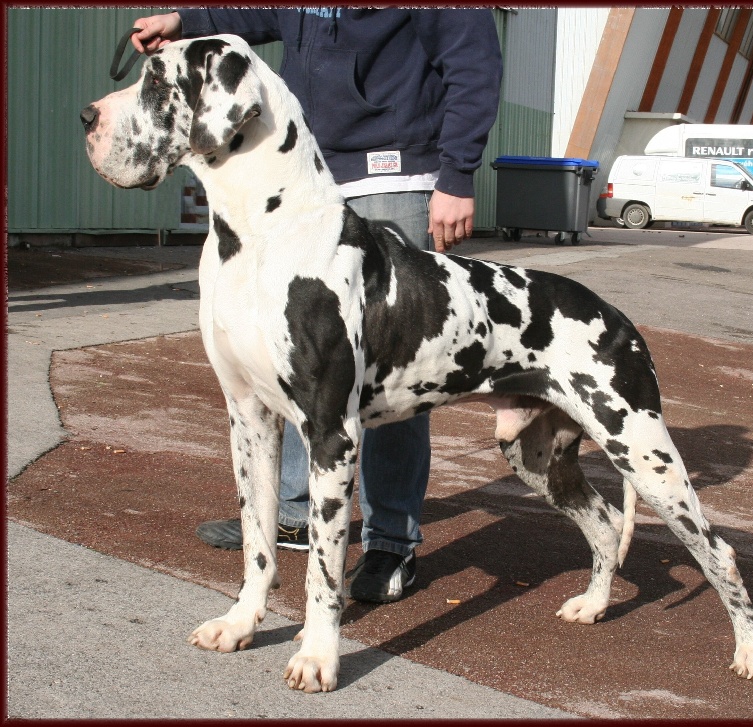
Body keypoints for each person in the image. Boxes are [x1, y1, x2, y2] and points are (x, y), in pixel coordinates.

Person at [132, 8, 502, 603]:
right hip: (305, 162)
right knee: (294, 357)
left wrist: (456, 175)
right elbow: (257, 11)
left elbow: (473, 64)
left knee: (393, 364)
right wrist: (185, 20)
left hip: (394, 170)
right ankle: (295, 517)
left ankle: (390, 541)